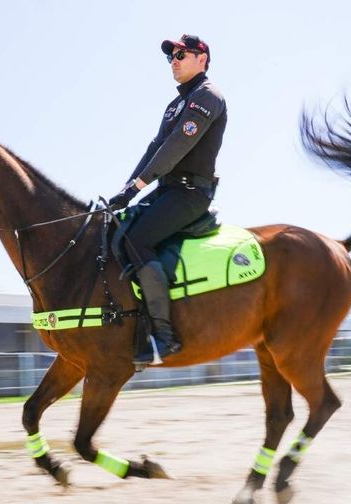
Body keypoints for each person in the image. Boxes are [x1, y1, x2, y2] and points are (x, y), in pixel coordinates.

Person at [108, 34, 227, 364]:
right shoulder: (176, 104)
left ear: (201, 59)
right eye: (170, 56)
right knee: (116, 231)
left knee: (136, 239)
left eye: (181, 54)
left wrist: (136, 188)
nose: (173, 60)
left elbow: (177, 146)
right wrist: (126, 190)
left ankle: (163, 335)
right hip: (168, 190)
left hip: (190, 193)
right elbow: (154, 149)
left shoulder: (208, 96)